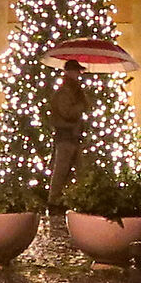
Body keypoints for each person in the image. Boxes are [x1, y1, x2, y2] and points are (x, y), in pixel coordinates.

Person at [46, 60, 90, 204]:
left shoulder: (75, 91)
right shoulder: (64, 92)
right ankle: (54, 201)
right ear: (70, 72)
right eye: (77, 72)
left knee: (79, 170)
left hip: (74, 136)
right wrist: (80, 106)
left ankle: (74, 200)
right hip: (66, 135)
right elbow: (67, 113)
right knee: (61, 170)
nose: (78, 75)